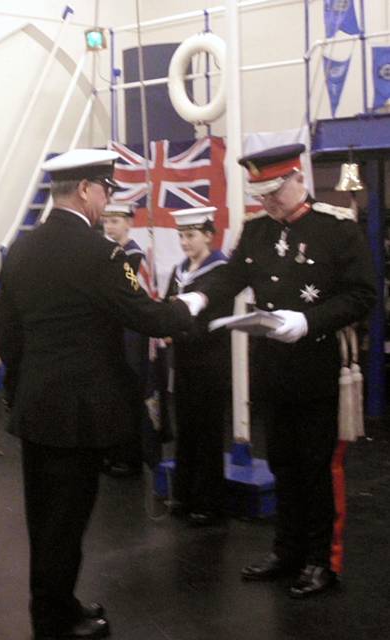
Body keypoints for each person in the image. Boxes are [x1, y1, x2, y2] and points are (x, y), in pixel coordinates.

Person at [0, 148, 198, 640]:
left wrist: (21, 390)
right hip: (78, 414)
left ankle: (54, 606)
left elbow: (8, 334)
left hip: (37, 408)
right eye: (105, 189)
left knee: (42, 519)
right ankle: (54, 623)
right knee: (66, 523)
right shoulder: (100, 252)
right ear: (85, 189)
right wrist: (192, 301)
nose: (107, 200)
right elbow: (145, 315)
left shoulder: (21, 248)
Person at [195, 144, 376, 597]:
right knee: (283, 463)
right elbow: (230, 277)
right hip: (272, 369)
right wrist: (196, 297)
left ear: (298, 178)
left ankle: (321, 560)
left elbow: (361, 295)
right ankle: (288, 549)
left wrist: (309, 320)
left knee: (316, 467)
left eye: (274, 192)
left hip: (316, 365)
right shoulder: (256, 231)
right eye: (260, 194)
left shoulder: (336, 229)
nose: (267, 203)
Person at [165, 207, 232, 526]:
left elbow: (212, 319)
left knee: (207, 432)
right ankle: (184, 494)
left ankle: (209, 501)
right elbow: (169, 306)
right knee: (187, 430)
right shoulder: (180, 271)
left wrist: (175, 330)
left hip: (210, 360)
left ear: (208, 235)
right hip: (185, 360)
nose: (184, 242)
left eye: (190, 235)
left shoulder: (220, 272)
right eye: (181, 235)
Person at [101, 202, 146, 477]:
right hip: (113, 326)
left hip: (129, 329)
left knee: (129, 393)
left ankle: (130, 456)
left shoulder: (133, 255)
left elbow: (128, 288)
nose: (110, 226)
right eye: (107, 221)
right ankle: (113, 451)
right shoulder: (111, 252)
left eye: (116, 221)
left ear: (129, 223)